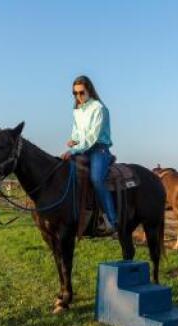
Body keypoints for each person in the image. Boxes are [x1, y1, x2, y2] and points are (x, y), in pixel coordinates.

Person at [61, 76, 117, 231]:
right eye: (75, 93)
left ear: (89, 90)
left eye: (81, 93)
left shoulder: (98, 108)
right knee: (66, 172)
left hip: (99, 149)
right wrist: (73, 140)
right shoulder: (77, 111)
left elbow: (92, 137)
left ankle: (112, 221)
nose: (78, 96)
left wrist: (73, 150)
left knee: (96, 178)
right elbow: (78, 133)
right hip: (83, 149)